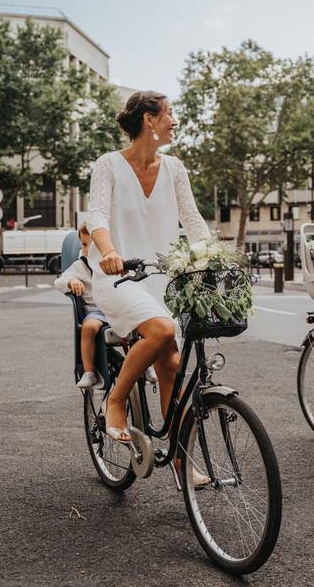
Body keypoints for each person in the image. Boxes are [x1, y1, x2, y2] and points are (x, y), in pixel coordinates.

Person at [87, 91, 210, 444]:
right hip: (119, 278)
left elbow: (193, 219)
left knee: (171, 366)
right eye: (170, 113)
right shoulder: (108, 164)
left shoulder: (174, 168)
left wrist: (211, 254)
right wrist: (108, 251)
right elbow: (96, 214)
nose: (175, 120)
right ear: (149, 119)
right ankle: (116, 399)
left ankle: (180, 463)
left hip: (162, 279)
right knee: (162, 330)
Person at [54, 224, 106, 389]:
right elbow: (59, 281)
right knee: (89, 327)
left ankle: (145, 366)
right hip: (95, 311)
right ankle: (89, 372)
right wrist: (72, 281)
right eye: (84, 244)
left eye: (93, 244)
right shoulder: (79, 266)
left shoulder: (110, 262)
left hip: (116, 308)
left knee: (139, 322)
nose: (87, 249)